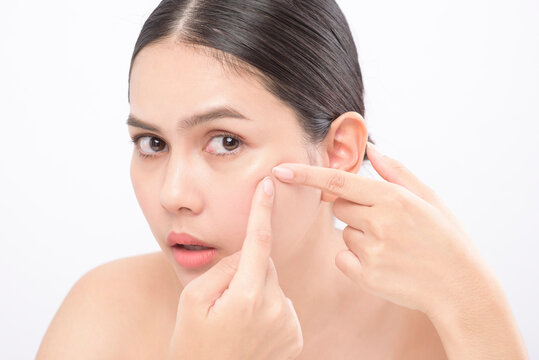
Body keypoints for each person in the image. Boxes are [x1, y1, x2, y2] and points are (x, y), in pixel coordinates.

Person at [36, 0, 529, 359]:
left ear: (339, 150)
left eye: (225, 142)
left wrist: (476, 301)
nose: (173, 195)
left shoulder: (440, 332)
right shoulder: (101, 315)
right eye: (153, 143)